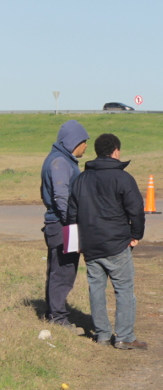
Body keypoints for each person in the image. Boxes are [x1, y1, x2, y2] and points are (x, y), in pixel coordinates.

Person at [67, 133, 147, 349]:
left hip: (89, 245)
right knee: (124, 290)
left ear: (97, 152)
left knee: (96, 289)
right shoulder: (124, 178)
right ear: (116, 152)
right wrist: (136, 235)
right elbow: (136, 211)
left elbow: (71, 215)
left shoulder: (81, 179)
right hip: (117, 244)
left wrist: (76, 244)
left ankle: (102, 335)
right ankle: (124, 337)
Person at [40, 120, 90, 326]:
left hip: (59, 224)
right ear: (73, 141)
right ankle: (58, 318)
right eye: (84, 141)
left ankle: (52, 312)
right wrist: (72, 225)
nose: (86, 146)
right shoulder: (60, 162)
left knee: (58, 270)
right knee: (63, 272)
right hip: (62, 226)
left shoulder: (60, 159)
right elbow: (62, 197)